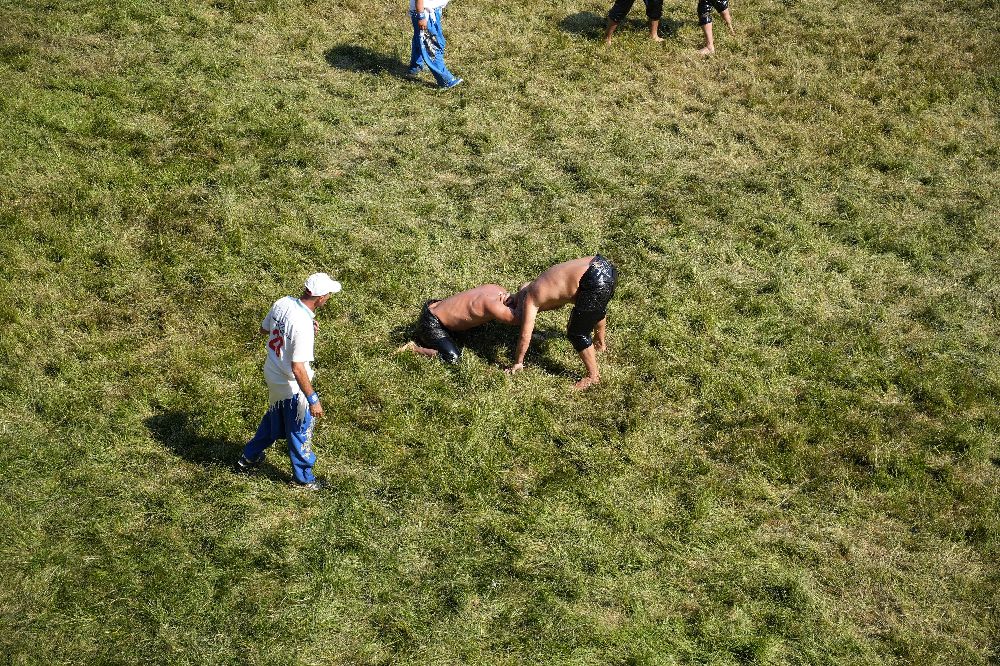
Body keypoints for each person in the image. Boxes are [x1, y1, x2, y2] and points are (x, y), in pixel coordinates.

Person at [236, 273, 342, 490]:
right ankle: (303, 479)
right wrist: (313, 399)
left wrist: (297, 331)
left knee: (275, 420)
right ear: (320, 298)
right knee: (299, 429)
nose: (329, 297)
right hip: (291, 384)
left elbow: (265, 329)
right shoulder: (303, 324)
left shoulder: (283, 303)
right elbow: (298, 368)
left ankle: (249, 457)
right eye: (329, 294)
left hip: (272, 373)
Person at [506, 255, 618, 390]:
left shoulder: (530, 298)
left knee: (577, 333)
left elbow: (525, 335)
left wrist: (518, 362)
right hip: (604, 265)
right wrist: (513, 297)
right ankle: (600, 344)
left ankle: (593, 377)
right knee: (595, 308)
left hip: (594, 281)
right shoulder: (540, 282)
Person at [399, 284, 518, 363]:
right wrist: (533, 305)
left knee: (480, 331)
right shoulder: (494, 306)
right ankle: (413, 349)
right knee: (452, 358)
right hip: (432, 323)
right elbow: (520, 319)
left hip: (433, 307)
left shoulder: (498, 289)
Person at [407, 0, 463, 89]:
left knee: (420, 40)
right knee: (432, 46)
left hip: (430, 11)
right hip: (425, 14)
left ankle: (416, 67)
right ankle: (445, 80)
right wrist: (421, 16)